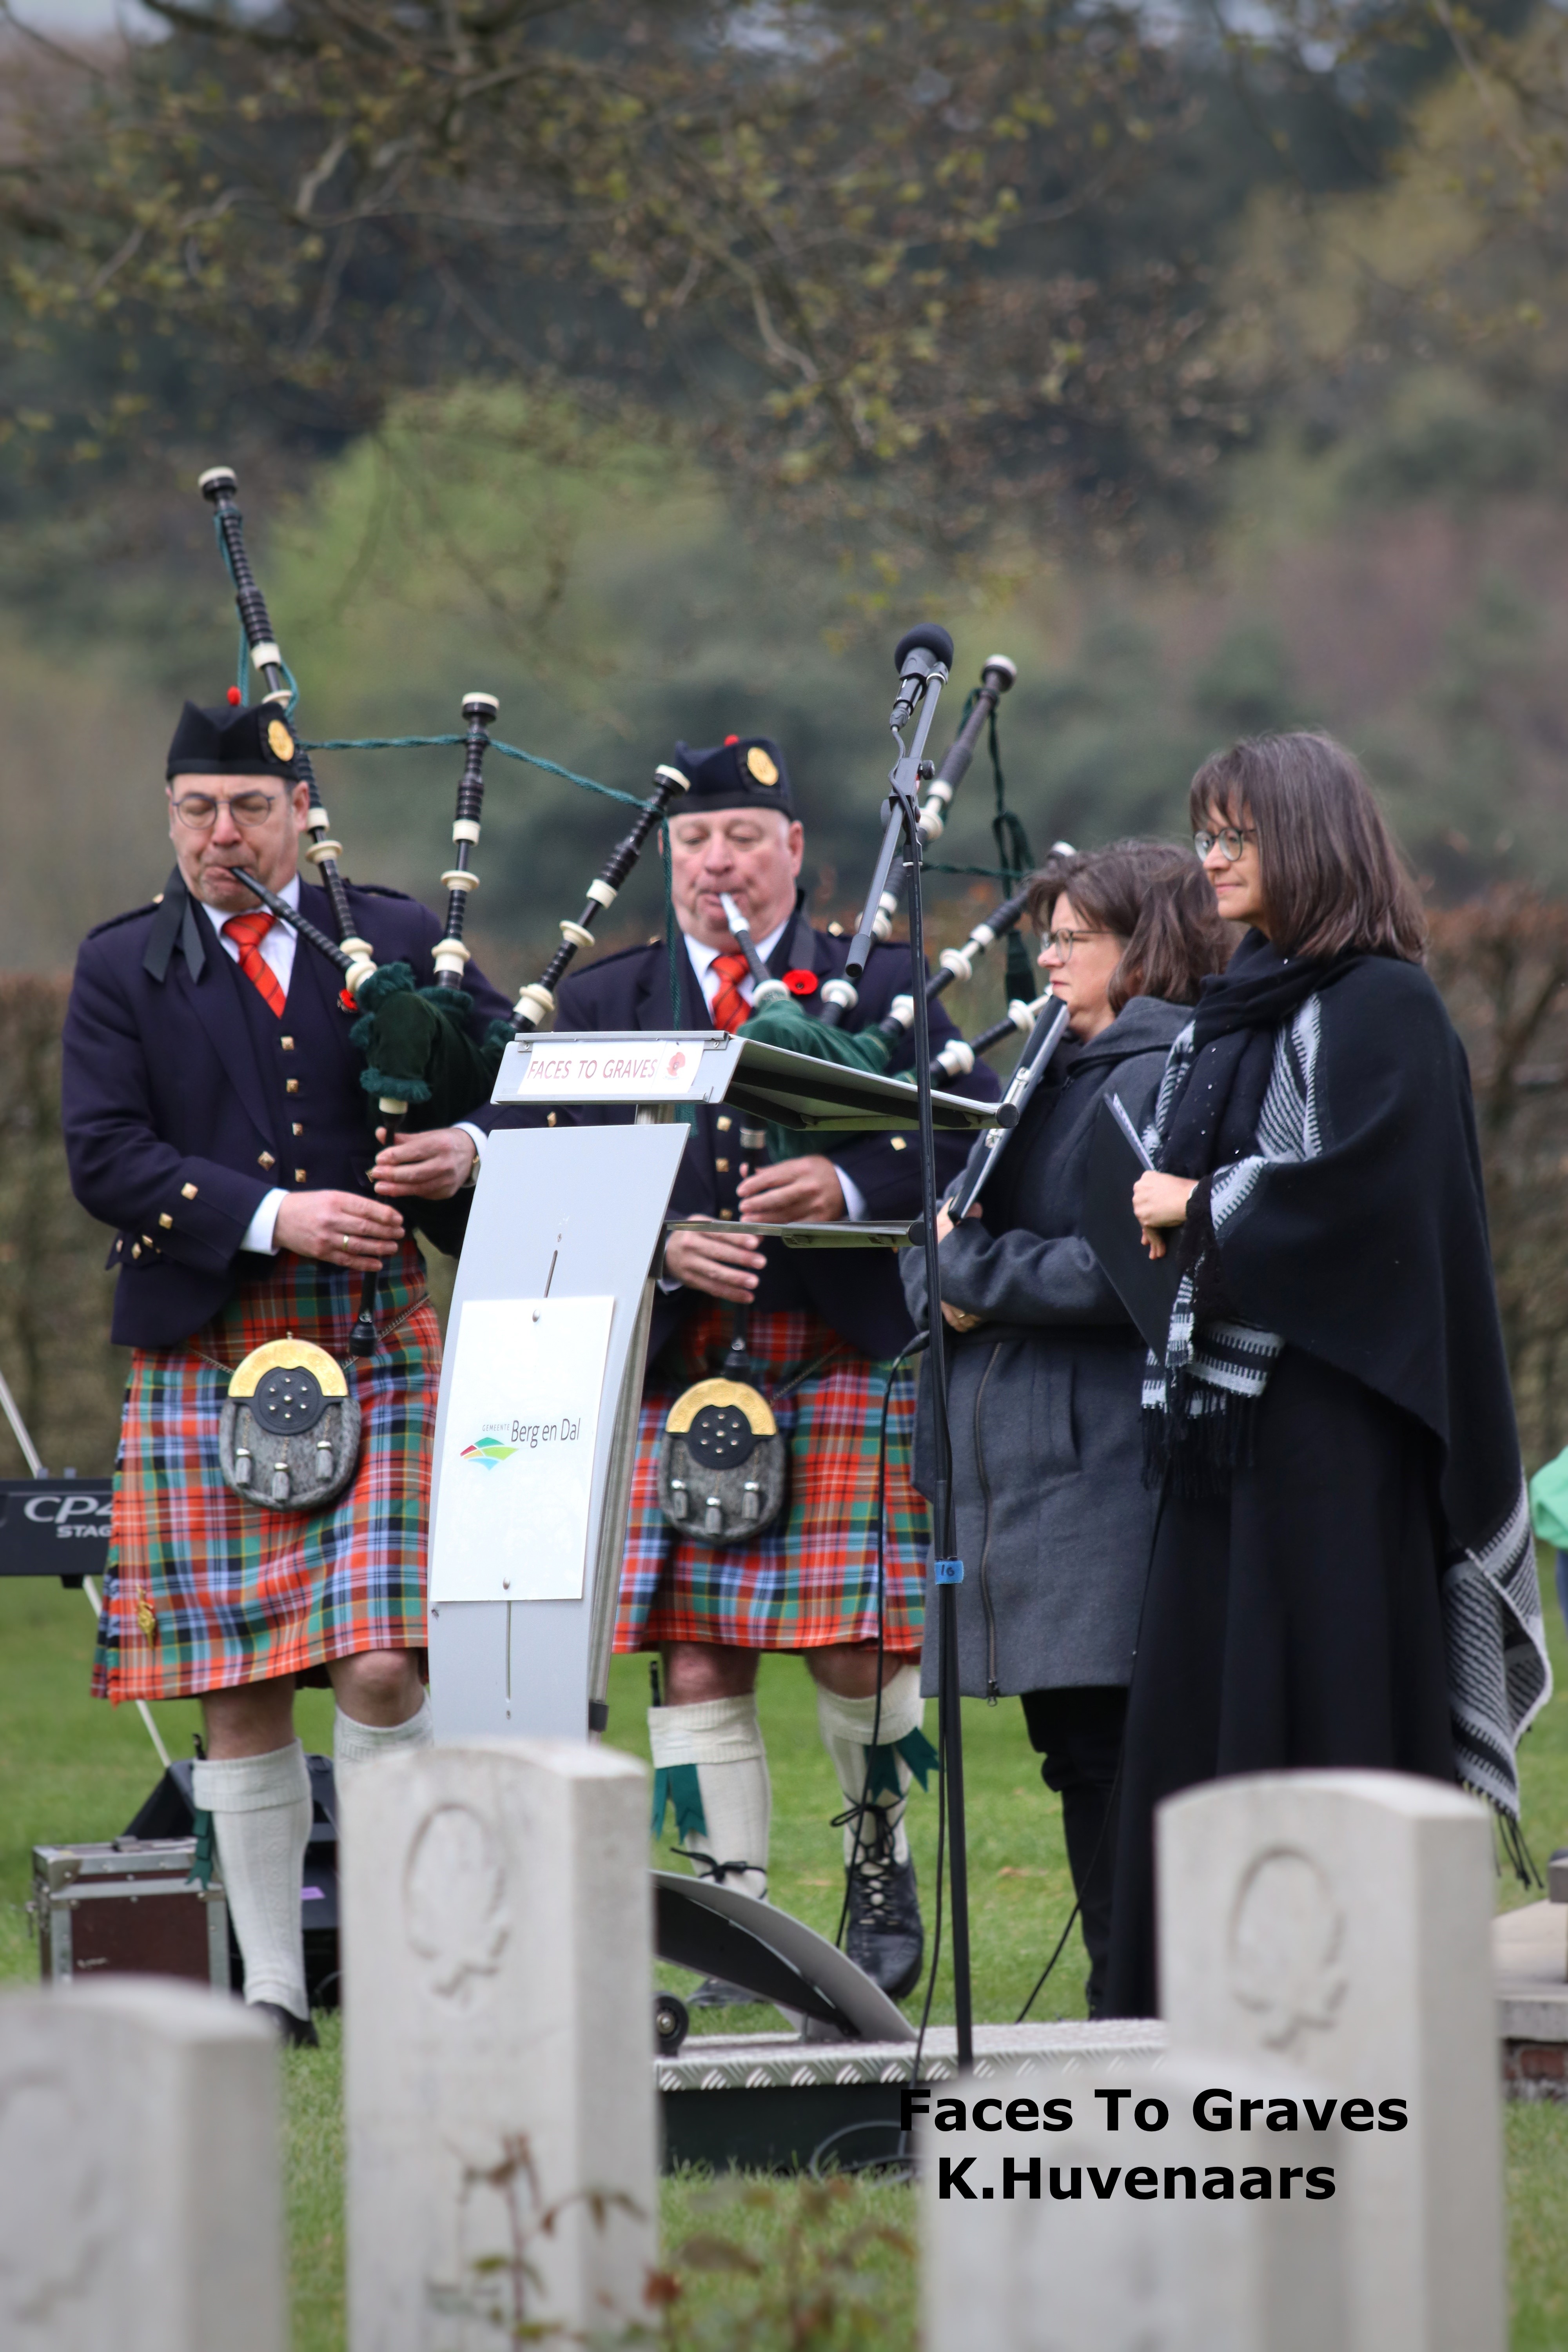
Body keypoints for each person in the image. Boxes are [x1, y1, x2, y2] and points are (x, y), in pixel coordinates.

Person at [62, 697, 514, 2044]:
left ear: (301, 812)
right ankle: (268, 1989)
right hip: (214, 1331)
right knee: (240, 1682)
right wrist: (274, 1214)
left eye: (248, 809)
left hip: (372, 1330)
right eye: (196, 810)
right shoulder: (123, 969)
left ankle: (392, 1963)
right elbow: (106, 1157)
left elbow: (517, 1075)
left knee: (382, 1665)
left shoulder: (393, 940)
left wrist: (469, 1149)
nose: (221, 835)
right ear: (171, 819)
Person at [1104, 730, 1552, 2018]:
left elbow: (1376, 1206)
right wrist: (1158, 1206)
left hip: (1331, 1448)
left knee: (1317, 1713)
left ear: (1309, 841)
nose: (1212, 860)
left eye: (1237, 837)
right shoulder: (1234, 1007)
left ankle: (1342, 1997)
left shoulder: (1384, 1006)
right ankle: (1195, 1994)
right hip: (1220, 1439)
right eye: (1206, 834)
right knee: (1204, 1720)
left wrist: (1196, 1201)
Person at [548, 732, 998, 1999]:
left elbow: (980, 1145)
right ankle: (732, 1925)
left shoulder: (894, 985)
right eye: (694, 841)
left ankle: (877, 1861)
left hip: (836, 1352)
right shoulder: (603, 1005)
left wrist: (853, 1181)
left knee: (860, 1645)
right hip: (682, 1369)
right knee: (695, 1659)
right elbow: (551, 1192)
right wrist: (663, 1244)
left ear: (798, 851)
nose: (718, 862)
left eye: (745, 836)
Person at [901, 840, 1230, 2013]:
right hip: (1017, 1471)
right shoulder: (1042, 1072)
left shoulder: (1160, 1073)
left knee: (1126, 1756)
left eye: (1070, 936)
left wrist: (974, 1276)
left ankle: (1140, 2005)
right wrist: (946, 1272)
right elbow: (928, 1242)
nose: (1044, 955)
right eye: (1047, 935)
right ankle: (1128, 1996)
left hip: (1103, 1468)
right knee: (1081, 1756)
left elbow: (1120, 1272)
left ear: (1145, 946)